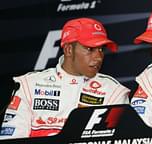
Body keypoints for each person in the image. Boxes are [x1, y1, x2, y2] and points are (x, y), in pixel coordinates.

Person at [0, 18, 130, 139]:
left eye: (101, 49)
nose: (99, 57)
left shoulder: (114, 92)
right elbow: (12, 137)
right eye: (90, 49)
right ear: (68, 50)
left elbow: (120, 138)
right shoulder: (28, 85)